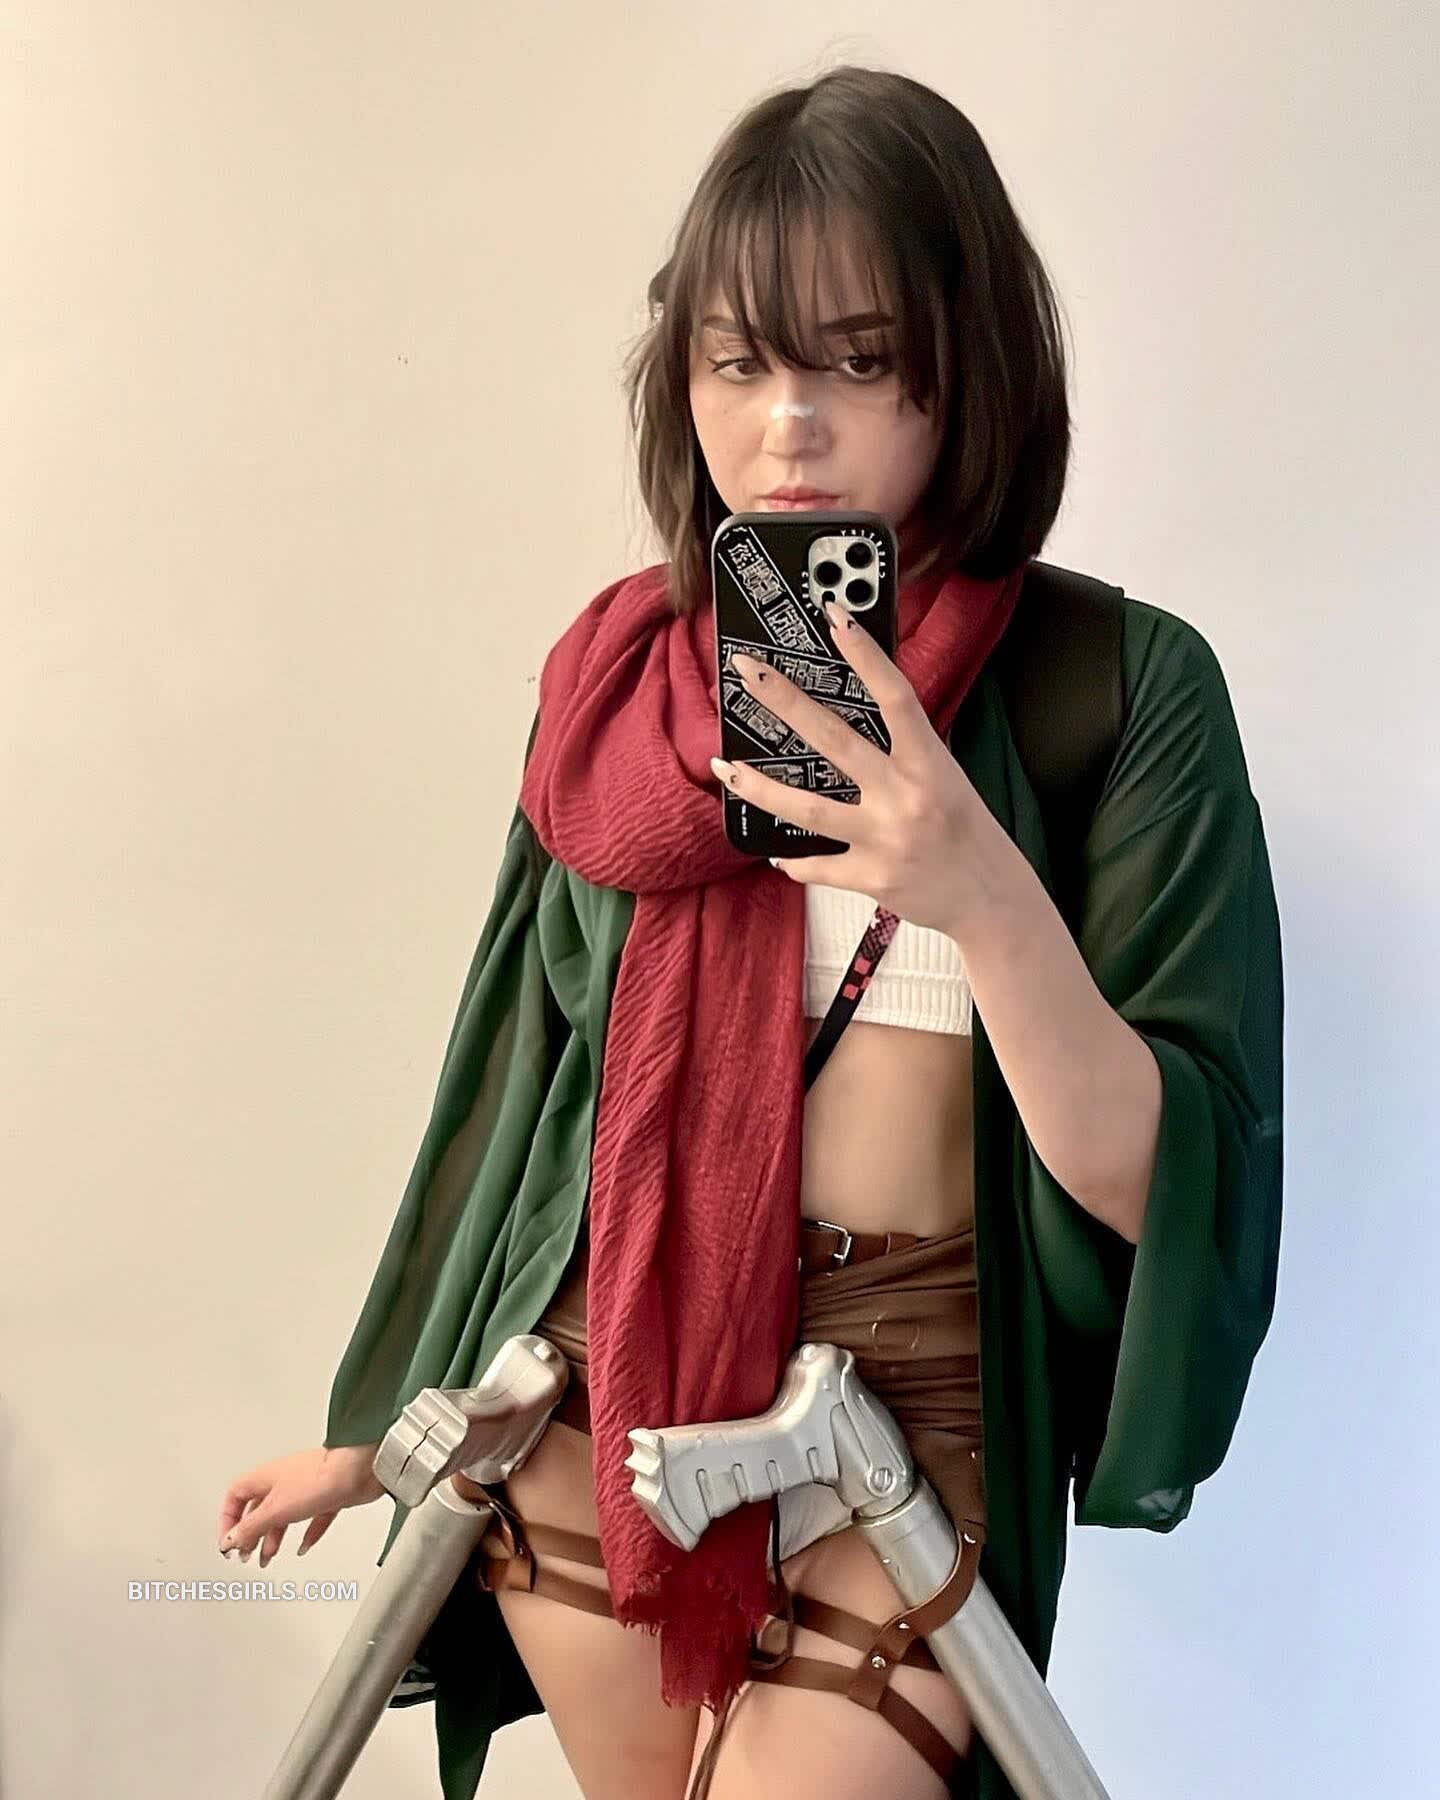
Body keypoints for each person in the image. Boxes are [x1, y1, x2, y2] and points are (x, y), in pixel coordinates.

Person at [217, 63, 1284, 1800]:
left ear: (970, 368)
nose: (789, 424)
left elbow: (1176, 1193)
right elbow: (513, 1102)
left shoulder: (1116, 690)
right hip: (599, 1404)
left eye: (857, 360)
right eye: (737, 362)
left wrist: (981, 893)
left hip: (912, 1419)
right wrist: (377, 1430)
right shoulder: (616, 693)